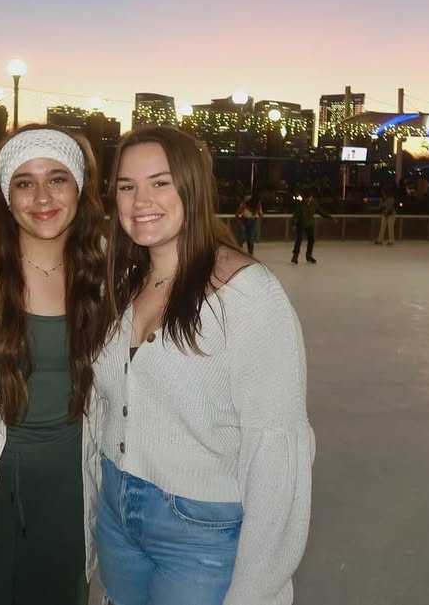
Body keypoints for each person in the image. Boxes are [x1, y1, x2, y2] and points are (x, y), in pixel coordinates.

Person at [94, 127, 314, 605]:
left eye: (160, 182)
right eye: (127, 186)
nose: (141, 200)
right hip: (115, 514)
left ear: (192, 187)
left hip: (199, 530)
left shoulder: (246, 294)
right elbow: (105, 407)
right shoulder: (122, 282)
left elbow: (276, 447)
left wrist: (256, 591)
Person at [0, 126, 107, 605]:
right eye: (24, 182)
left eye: (57, 179)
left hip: (70, 485)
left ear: (79, 188)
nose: (42, 197)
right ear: (6, 196)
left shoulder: (107, 276)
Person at [291, 189, 332, 264]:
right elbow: (296, 215)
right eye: (306, 198)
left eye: (309, 197)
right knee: (299, 239)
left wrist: (330, 217)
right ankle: (295, 256)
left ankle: (309, 256)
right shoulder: (300, 204)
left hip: (310, 224)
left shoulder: (314, 204)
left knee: (311, 240)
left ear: (311, 197)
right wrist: (293, 224)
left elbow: (321, 212)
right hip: (301, 224)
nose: (307, 199)